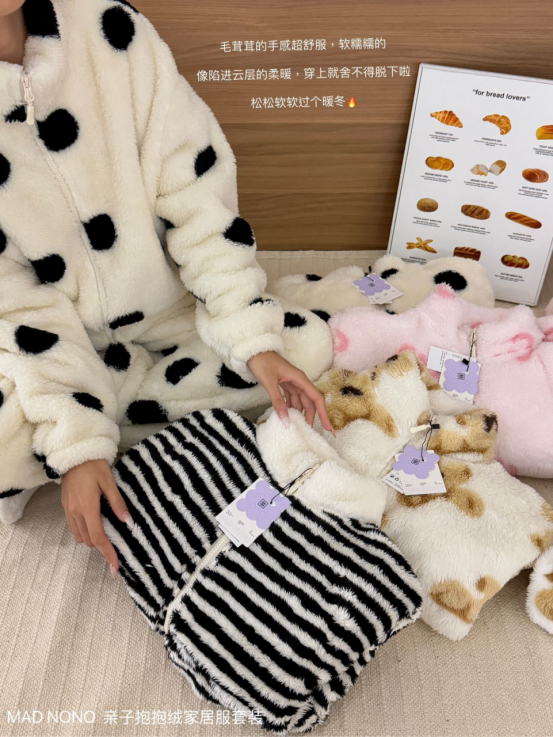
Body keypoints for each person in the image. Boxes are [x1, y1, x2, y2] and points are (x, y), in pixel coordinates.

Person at [0, 0, 334, 577]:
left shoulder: (109, 26)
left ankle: (113, 427)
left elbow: (196, 193)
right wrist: (76, 439)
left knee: (303, 348)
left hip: (172, 309)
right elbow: (14, 305)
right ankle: (104, 429)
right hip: (37, 346)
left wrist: (248, 331)